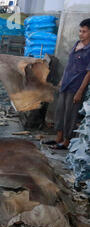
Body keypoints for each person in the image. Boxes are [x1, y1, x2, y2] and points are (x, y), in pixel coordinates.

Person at [46, 19, 90, 150]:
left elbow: (88, 73)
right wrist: (62, 80)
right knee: (60, 112)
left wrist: (80, 91)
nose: (81, 34)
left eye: (84, 32)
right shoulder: (77, 44)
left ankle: (66, 142)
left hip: (75, 87)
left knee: (70, 115)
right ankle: (58, 138)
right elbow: (69, 64)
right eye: (80, 31)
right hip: (65, 84)